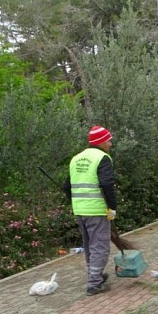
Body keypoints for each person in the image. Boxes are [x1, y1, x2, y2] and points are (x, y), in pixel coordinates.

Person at [63, 125, 117, 296]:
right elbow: (107, 184)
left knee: (89, 245)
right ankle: (94, 283)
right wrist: (112, 207)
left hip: (80, 210)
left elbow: (66, 186)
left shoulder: (76, 159)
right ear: (100, 142)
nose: (110, 143)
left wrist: (78, 201)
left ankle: (96, 274)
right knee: (100, 245)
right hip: (96, 210)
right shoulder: (103, 158)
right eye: (108, 140)